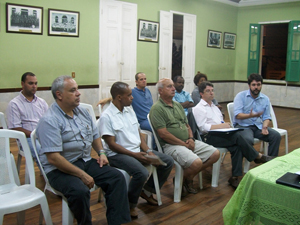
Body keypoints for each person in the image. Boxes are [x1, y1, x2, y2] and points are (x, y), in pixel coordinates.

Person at [36, 76, 131, 225]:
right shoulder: (49, 120)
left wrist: (101, 153)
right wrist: (82, 175)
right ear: (59, 95)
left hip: (84, 160)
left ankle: (118, 222)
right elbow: (53, 158)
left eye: (77, 89)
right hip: (59, 169)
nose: (78, 93)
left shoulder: (82, 112)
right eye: (73, 90)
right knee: (80, 191)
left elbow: (95, 136)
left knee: (117, 178)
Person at [99, 81, 173, 218]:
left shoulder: (129, 110)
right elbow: (111, 144)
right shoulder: (106, 116)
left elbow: (139, 134)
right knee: (141, 172)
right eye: (129, 95)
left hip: (136, 150)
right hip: (117, 154)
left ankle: (146, 190)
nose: (132, 97)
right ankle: (130, 203)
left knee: (167, 161)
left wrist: (148, 151)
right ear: (119, 97)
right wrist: (135, 155)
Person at [193, 81, 274, 188]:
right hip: (207, 137)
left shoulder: (214, 107)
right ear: (201, 94)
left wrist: (226, 126)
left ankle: (235, 177)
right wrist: (221, 127)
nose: (211, 93)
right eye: (208, 91)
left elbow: (220, 122)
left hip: (220, 134)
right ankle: (257, 156)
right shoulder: (198, 108)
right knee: (237, 137)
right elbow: (203, 128)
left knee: (237, 146)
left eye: (212, 91)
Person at [149, 78, 220, 194]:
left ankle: (186, 177)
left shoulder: (177, 105)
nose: (173, 89)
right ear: (160, 91)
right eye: (169, 86)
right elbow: (164, 134)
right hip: (170, 145)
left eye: (173, 86)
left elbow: (187, 125)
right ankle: (183, 178)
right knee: (196, 163)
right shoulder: (157, 108)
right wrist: (184, 144)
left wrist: (191, 139)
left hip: (187, 141)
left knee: (215, 154)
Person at [234, 73, 281, 156]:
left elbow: (266, 117)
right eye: (254, 85)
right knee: (247, 139)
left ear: (261, 85)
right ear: (249, 85)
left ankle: (271, 162)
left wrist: (265, 126)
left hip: (258, 126)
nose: (256, 87)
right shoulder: (240, 96)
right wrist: (250, 115)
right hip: (243, 126)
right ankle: (257, 157)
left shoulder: (265, 99)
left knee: (276, 136)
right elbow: (238, 115)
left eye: (258, 85)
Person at [6, 72, 48, 159]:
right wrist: (35, 135)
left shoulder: (42, 102)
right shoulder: (14, 104)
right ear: (22, 84)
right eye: (30, 83)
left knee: (64, 146)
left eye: (36, 83)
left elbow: (49, 121)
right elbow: (15, 128)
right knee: (41, 151)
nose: (34, 86)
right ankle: (49, 172)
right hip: (27, 138)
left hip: (44, 136)